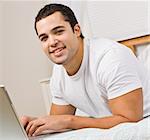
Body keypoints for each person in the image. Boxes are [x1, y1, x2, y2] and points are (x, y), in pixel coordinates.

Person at [21, 3, 150, 137]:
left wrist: (70, 121)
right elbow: (57, 121)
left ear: (77, 30)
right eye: (44, 38)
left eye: (58, 31)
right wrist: (35, 124)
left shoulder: (110, 58)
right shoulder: (59, 73)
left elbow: (130, 120)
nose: (52, 42)